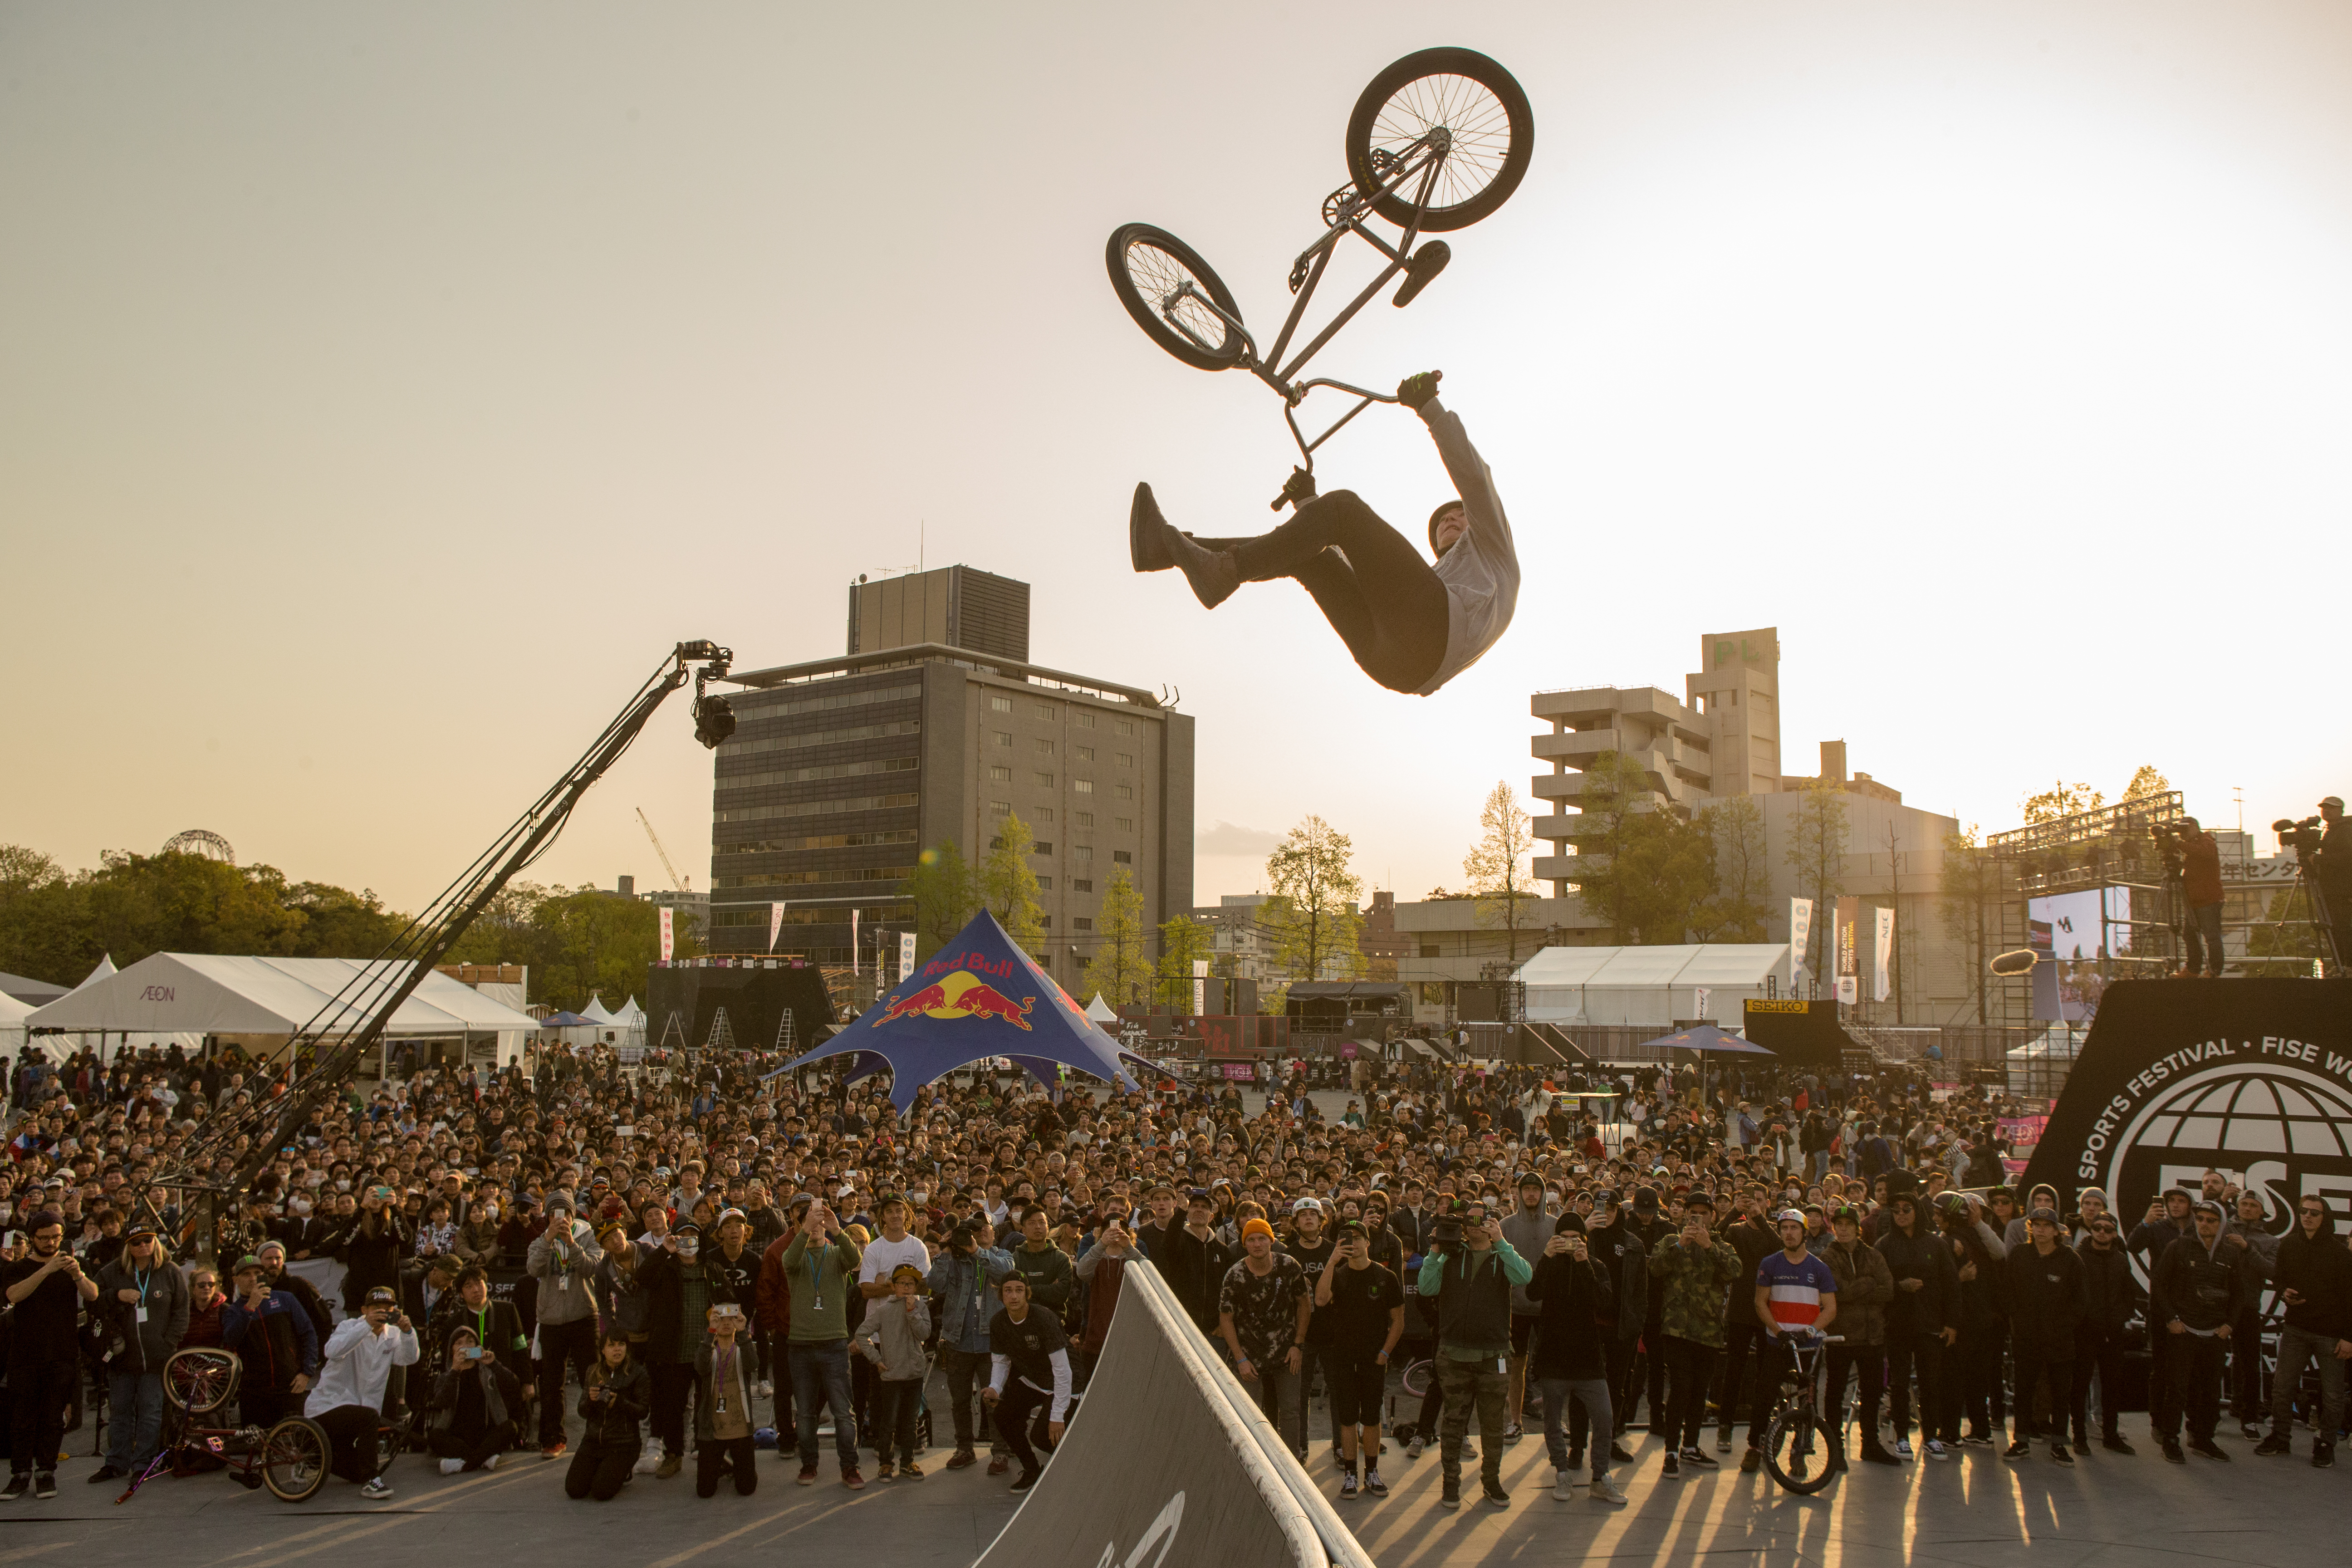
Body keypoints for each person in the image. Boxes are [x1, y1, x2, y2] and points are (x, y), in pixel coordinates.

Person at [1130, 369, 1520, 697]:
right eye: (1441, 522)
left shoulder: (1494, 552)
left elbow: (1476, 481)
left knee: (1345, 509)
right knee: (1313, 561)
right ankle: (1163, 548)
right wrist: (1308, 504)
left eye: (1458, 517)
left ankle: (1222, 571)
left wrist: (1431, 410)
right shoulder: (1432, 585)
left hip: (1429, 639)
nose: (1449, 520)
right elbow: (1352, 571)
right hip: (1397, 668)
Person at [1419, 1202, 1533, 1509]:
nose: (1474, 1226)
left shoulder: (1501, 1255)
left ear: (1491, 1223)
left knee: (1493, 1425)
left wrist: (1502, 1242)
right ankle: (1451, 1484)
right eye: (1468, 1221)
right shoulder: (1451, 1256)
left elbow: (1524, 1277)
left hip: (1492, 1355)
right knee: (1453, 1423)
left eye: (1481, 1220)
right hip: (1454, 1354)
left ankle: (1492, 1482)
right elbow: (1427, 1288)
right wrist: (1435, 1250)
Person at [1524, 1212, 1627, 1505]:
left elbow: (1602, 1300)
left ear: (1584, 1240)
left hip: (1588, 1359)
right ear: (1555, 1240)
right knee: (1553, 1422)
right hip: (1554, 1357)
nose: (1570, 1244)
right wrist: (1546, 1257)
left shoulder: (1595, 1266)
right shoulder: (1550, 1263)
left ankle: (1600, 1477)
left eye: (1575, 1238)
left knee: (1605, 1419)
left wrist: (1584, 1264)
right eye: (1563, 1238)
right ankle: (1561, 1472)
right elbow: (1532, 1293)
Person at [2, 1211, 99, 1497]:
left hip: (62, 1353)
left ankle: (46, 1472)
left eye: (56, 1237)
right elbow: (13, 1296)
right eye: (44, 1238)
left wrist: (77, 1274)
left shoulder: (74, 1265)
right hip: (25, 1353)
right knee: (22, 1417)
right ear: (32, 1239)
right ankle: (20, 1474)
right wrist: (46, 1270)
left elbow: (93, 1295)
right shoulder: (18, 1268)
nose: (51, 1242)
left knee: (53, 1418)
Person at [1647, 1192, 1741, 1481]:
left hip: (1709, 1331)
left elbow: (1735, 1272)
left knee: (1700, 1392)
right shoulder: (1670, 1241)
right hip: (1676, 1329)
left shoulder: (1722, 1245)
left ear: (1712, 1216)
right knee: (1680, 1389)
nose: (1697, 1218)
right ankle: (1672, 1451)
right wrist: (1681, 1245)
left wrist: (1709, 1246)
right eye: (1692, 1213)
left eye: (1703, 1213)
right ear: (1685, 1214)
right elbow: (1655, 1268)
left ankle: (1691, 1445)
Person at [88, 1221, 191, 1485]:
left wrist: (169, 1343)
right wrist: (116, 1295)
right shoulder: (113, 1272)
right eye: (136, 1242)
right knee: (120, 1412)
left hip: (157, 1358)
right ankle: (116, 1463)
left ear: (156, 1242)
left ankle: (143, 1464)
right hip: (122, 1356)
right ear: (127, 1246)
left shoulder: (170, 1271)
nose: (143, 1246)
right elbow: (92, 1299)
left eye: (148, 1240)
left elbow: (181, 1310)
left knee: (151, 1411)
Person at [1739, 1209, 1839, 1474]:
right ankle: (1755, 1447)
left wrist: (1811, 1330)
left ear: (1804, 1232)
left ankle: (1800, 1451)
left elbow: (1830, 1309)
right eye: (1784, 1228)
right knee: (1764, 1395)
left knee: (1808, 1400)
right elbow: (1761, 1302)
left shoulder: (1819, 1268)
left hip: (1808, 1346)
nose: (1789, 1233)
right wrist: (1778, 1331)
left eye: (1795, 1228)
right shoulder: (1770, 1263)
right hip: (1778, 1343)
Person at [1313, 1219, 1403, 1502]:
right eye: (1346, 1238)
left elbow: (1398, 1320)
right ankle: (1350, 1474)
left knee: (1372, 1418)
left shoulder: (1385, 1277)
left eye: (1357, 1238)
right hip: (1342, 1357)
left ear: (1367, 1242)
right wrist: (1332, 1259)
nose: (1352, 1243)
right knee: (1348, 1418)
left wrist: (1385, 1353)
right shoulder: (1337, 1274)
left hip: (1373, 1359)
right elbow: (1320, 1299)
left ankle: (1372, 1472)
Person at [2258, 1192, 2351, 1466]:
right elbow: (2280, 1279)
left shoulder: (2341, 1253)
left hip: (2330, 1334)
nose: (2308, 1216)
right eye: (2304, 1211)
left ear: (2325, 1218)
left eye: (2315, 1213)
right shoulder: (2288, 1246)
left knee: (2333, 1394)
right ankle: (2280, 1438)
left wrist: (2348, 1338)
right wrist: (2284, 1293)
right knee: (2282, 1387)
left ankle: (2326, 1444)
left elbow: (2350, 1298)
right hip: (2296, 1328)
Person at [2150, 1198, 2246, 1462]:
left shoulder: (2231, 1253)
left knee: (2210, 1390)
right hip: (2184, 1332)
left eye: (2211, 1220)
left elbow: (2241, 1295)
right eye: (2200, 1219)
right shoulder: (2179, 1246)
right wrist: (2171, 1319)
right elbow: (2158, 1285)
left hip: (2215, 1334)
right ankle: (2171, 1440)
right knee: (2177, 1389)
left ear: (2222, 1224)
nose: (2204, 1224)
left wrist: (2229, 1325)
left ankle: (2203, 1438)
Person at [304, 1285, 417, 1500]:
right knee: (368, 1418)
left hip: (358, 1413)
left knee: (356, 1472)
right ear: (365, 1310)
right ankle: (372, 1482)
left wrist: (409, 1333)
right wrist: (366, 1326)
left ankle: (313, 1458)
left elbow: (408, 1359)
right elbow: (331, 1351)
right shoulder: (350, 1326)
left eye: (388, 1308)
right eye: (377, 1309)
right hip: (328, 1406)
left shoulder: (393, 1334)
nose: (383, 1313)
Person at [781, 1199, 865, 1488]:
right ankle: (809, 1463)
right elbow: (788, 1262)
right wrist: (805, 1230)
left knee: (843, 1411)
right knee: (805, 1412)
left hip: (834, 1344)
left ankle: (850, 1467)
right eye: (808, 1223)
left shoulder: (837, 1253)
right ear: (798, 1227)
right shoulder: (795, 1255)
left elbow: (855, 1261)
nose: (815, 1228)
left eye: (819, 1223)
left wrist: (837, 1230)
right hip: (801, 1345)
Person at [1218, 1217, 1312, 1469]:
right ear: (1244, 1244)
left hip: (1286, 1352)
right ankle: (1254, 1465)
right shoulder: (1235, 1275)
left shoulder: (1288, 1266)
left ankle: (1292, 1464)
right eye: (1251, 1240)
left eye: (1262, 1238)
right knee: (1250, 1414)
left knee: (1291, 1411)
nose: (1257, 1244)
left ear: (1272, 1241)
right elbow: (1226, 1319)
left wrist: (1298, 1345)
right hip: (1250, 1356)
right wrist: (1240, 1359)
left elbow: (1304, 1304)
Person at [926, 1219, 1017, 1475]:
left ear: (994, 1231)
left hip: (993, 1343)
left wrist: (977, 1251)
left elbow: (1006, 1275)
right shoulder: (954, 1259)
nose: (981, 1231)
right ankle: (964, 1448)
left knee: (994, 1399)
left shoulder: (1004, 1255)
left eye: (985, 1225)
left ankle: (1000, 1453)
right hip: (959, 1340)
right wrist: (945, 1250)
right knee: (960, 1400)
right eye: (974, 1229)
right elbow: (934, 1284)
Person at [1876, 1190, 1957, 1462]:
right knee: (1899, 1384)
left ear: (1916, 1212)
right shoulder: (1884, 1245)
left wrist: (1952, 1323)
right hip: (1898, 1324)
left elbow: (1951, 1285)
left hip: (1930, 1323)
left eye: (1906, 1209)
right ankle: (1901, 1436)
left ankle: (1932, 1436)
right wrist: (1900, 1287)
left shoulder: (1935, 1244)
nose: (1900, 1214)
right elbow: (1879, 1286)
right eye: (1895, 1210)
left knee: (1930, 1383)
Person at [2003, 1207, 2084, 1465]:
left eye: (2046, 1225)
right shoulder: (2020, 1255)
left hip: (2059, 1340)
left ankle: (2060, 1444)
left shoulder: (2070, 1260)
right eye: (2035, 1224)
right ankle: (2021, 1441)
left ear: (2056, 1230)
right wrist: (2016, 1324)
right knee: (2024, 1391)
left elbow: (2081, 1301)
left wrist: (2064, 1327)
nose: (2040, 1229)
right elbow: (2009, 1293)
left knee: (2061, 1393)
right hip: (2026, 1338)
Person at [1819, 1205, 1896, 1467]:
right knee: (1835, 1392)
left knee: (1873, 1391)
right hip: (1841, 1336)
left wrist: (1858, 1289)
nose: (1842, 1229)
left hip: (1872, 1336)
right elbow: (1836, 1294)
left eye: (1848, 1225)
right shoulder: (1828, 1257)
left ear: (1857, 1228)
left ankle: (1871, 1444)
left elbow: (1888, 1291)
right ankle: (1835, 1448)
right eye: (1838, 1224)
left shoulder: (1873, 1255)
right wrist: (1868, 1283)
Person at [529, 1192, 601, 1460]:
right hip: (551, 1319)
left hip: (583, 1315)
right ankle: (552, 1439)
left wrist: (571, 1244)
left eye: (565, 1213)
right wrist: (549, 1240)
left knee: (591, 1378)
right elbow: (533, 1269)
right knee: (551, 1383)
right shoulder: (540, 1241)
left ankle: (597, 1433)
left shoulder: (587, 1236)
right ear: (548, 1217)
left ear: (573, 1216)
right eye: (554, 1214)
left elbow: (592, 1268)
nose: (560, 1219)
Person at [984, 1274, 1071, 1493]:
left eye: (1019, 1290)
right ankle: (1032, 1470)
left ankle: (1079, 1467)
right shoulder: (998, 1322)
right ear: (1001, 1295)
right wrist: (995, 1387)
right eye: (1008, 1290)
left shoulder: (1043, 1318)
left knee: (1043, 1436)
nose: (1014, 1296)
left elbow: (1063, 1371)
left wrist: (1057, 1415)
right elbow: (1001, 1361)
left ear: (1027, 1293)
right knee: (1003, 1415)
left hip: (1065, 1382)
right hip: (1033, 1380)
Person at [220, 1252, 322, 1433]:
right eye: (246, 1275)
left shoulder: (286, 1299)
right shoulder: (232, 1311)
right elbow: (231, 1340)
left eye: (257, 1273)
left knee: (297, 1444)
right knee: (257, 1449)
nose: (253, 1279)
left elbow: (309, 1334)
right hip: (255, 1392)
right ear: (236, 1280)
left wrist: (307, 1373)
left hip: (290, 1386)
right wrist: (250, 1307)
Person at [854, 1263, 933, 1481]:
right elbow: (862, 1334)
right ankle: (886, 1463)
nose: (907, 1288)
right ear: (894, 1286)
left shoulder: (921, 1308)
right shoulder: (884, 1310)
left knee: (910, 1421)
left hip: (914, 1374)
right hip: (891, 1375)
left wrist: (912, 1313)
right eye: (902, 1283)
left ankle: (908, 1462)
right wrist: (876, 1359)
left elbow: (925, 1333)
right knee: (888, 1421)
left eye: (911, 1284)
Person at [426, 1324, 524, 1473]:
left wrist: (494, 1364)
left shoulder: (488, 1371)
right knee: (434, 1435)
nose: (465, 1346)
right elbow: (441, 1402)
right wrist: (455, 1371)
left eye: (470, 1342)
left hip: (485, 1436)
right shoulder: (446, 1376)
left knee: (511, 1427)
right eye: (459, 1343)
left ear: (478, 1347)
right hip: (457, 1439)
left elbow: (514, 1386)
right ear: (451, 1350)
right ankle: (484, 1460)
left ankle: (462, 1465)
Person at [567, 1331, 651, 1501]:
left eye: (621, 1345)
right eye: (611, 1345)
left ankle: (625, 1471)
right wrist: (590, 1401)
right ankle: (600, 1468)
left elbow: (643, 1412)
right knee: (574, 1490)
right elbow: (582, 1412)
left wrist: (620, 1402)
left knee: (601, 1492)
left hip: (623, 1444)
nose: (617, 1350)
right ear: (603, 1350)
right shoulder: (593, 1370)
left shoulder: (638, 1373)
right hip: (593, 1442)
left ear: (627, 1348)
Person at [1499, 1172, 1551, 1443]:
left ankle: (1555, 1422)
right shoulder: (1505, 1225)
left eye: (1536, 1190)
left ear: (1543, 1194)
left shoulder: (1555, 1224)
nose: (1531, 1194)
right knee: (1517, 1365)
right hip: (1516, 1307)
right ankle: (1516, 1421)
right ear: (1519, 1193)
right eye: (1526, 1189)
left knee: (1555, 1368)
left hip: (1549, 1309)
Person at [693, 1303, 760, 1497]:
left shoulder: (742, 1350)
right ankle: (723, 1464)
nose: (726, 1323)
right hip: (713, 1429)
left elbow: (753, 1364)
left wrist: (744, 1332)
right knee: (705, 1491)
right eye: (720, 1318)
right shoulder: (709, 1350)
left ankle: (737, 1466)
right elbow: (700, 1367)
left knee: (747, 1489)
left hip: (740, 1428)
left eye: (731, 1318)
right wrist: (710, 1332)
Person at [2177, 817, 2226, 978]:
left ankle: (2213, 972)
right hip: (2194, 900)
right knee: (2189, 936)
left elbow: (2205, 852)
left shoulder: (2206, 841)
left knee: (2212, 937)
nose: (2181, 834)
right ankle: (2193, 970)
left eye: (2184, 830)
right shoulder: (2192, 847)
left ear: (2194, 828)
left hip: (2208, 899)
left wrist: (2180, 844)